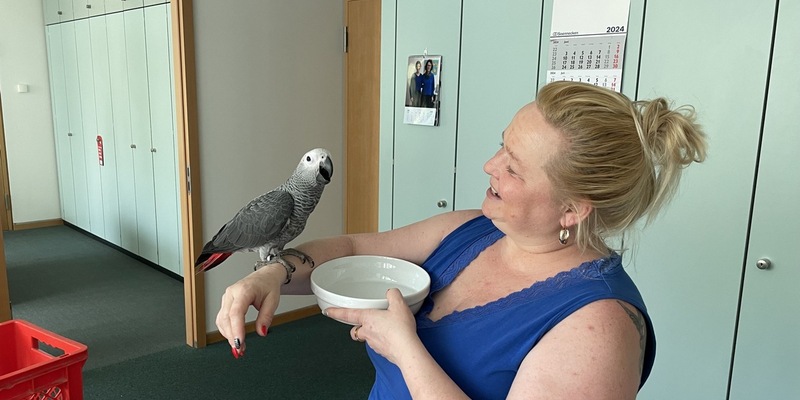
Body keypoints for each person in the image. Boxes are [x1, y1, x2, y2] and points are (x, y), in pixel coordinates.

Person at [215, 81, 707, 399]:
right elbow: (354, 251)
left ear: (573, 209)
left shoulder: (600, 328)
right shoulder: (470, 229)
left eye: (513, 168)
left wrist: (407, 351)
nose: (490, 166)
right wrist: (272, 274)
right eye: (501, 145)